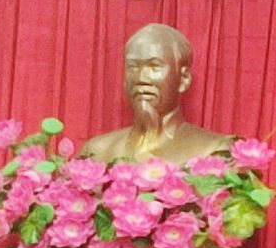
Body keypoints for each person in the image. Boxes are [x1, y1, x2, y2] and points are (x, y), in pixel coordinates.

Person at [80, 23, 231, 163]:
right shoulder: (96, 152)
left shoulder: (214, 151)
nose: (141, 78)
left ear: (183, 79)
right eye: (133, 67)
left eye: (154, 66)